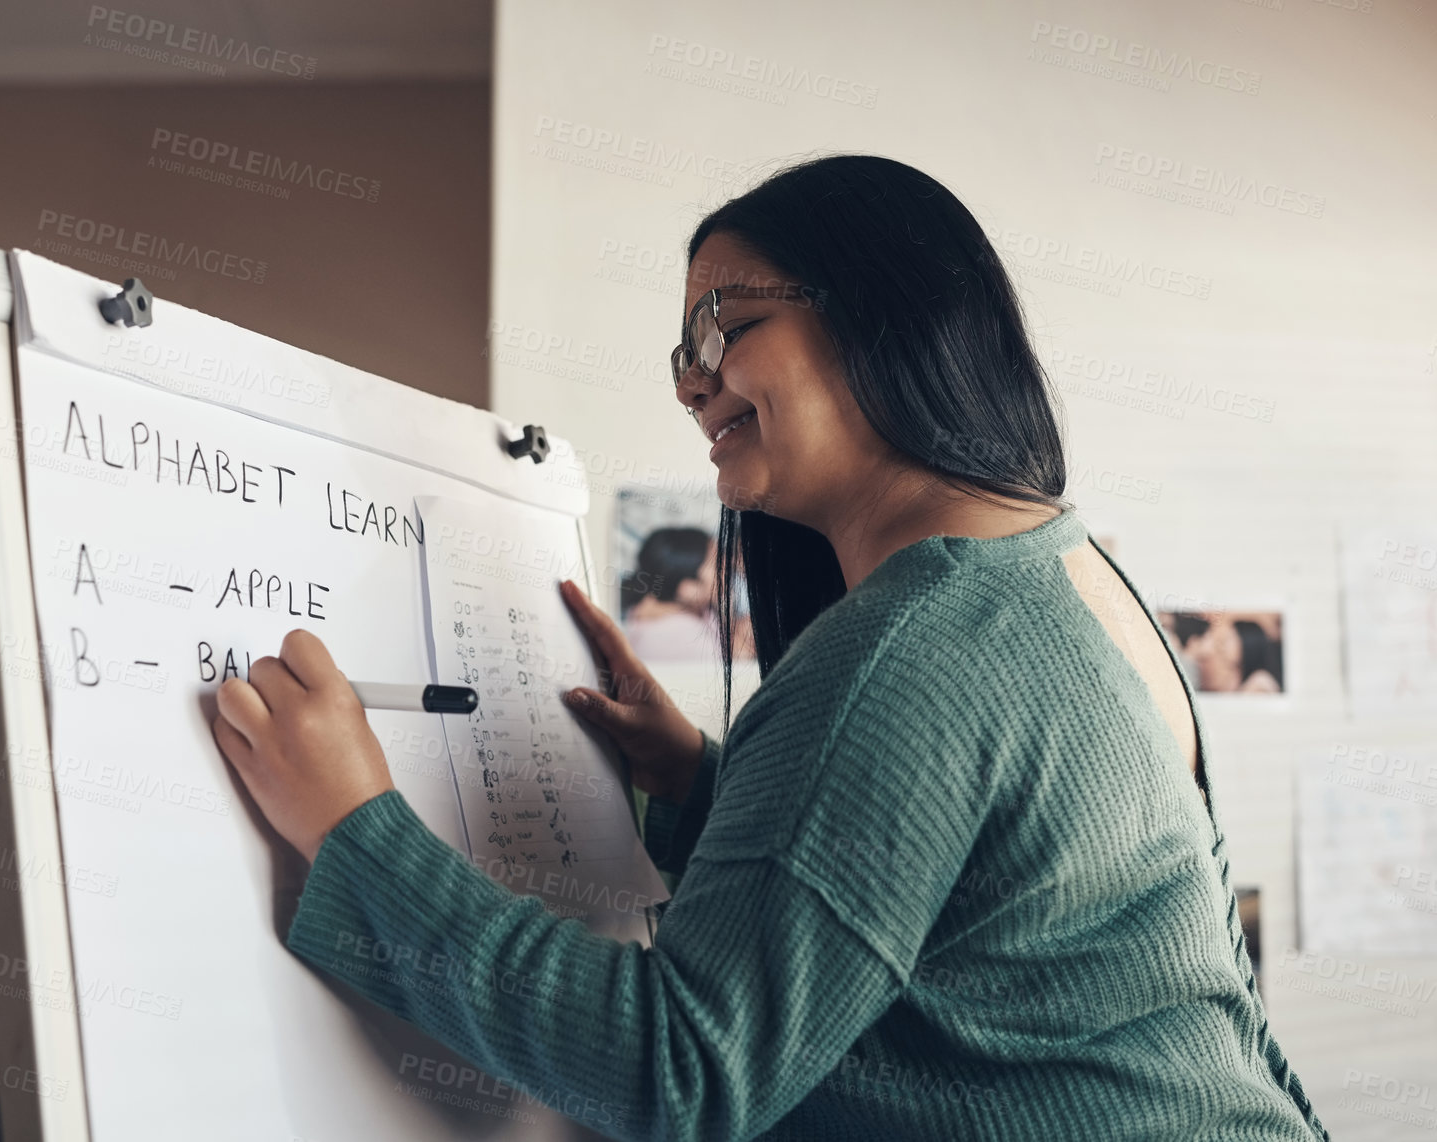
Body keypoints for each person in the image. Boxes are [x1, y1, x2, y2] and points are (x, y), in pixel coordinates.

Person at [210, 155, 1328, 1140]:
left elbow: (683, 1070)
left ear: (883, 314)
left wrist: (352, 827)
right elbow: (1022, 930)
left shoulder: (908, 644)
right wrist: (700, 782)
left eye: (725, 326)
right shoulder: (1070, 573)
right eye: (680, 349)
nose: (693, 381)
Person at [622, 526, 718, 660]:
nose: (728, 568)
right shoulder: (680, 636)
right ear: (688, 588)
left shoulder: (696, 612)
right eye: (716, 564)